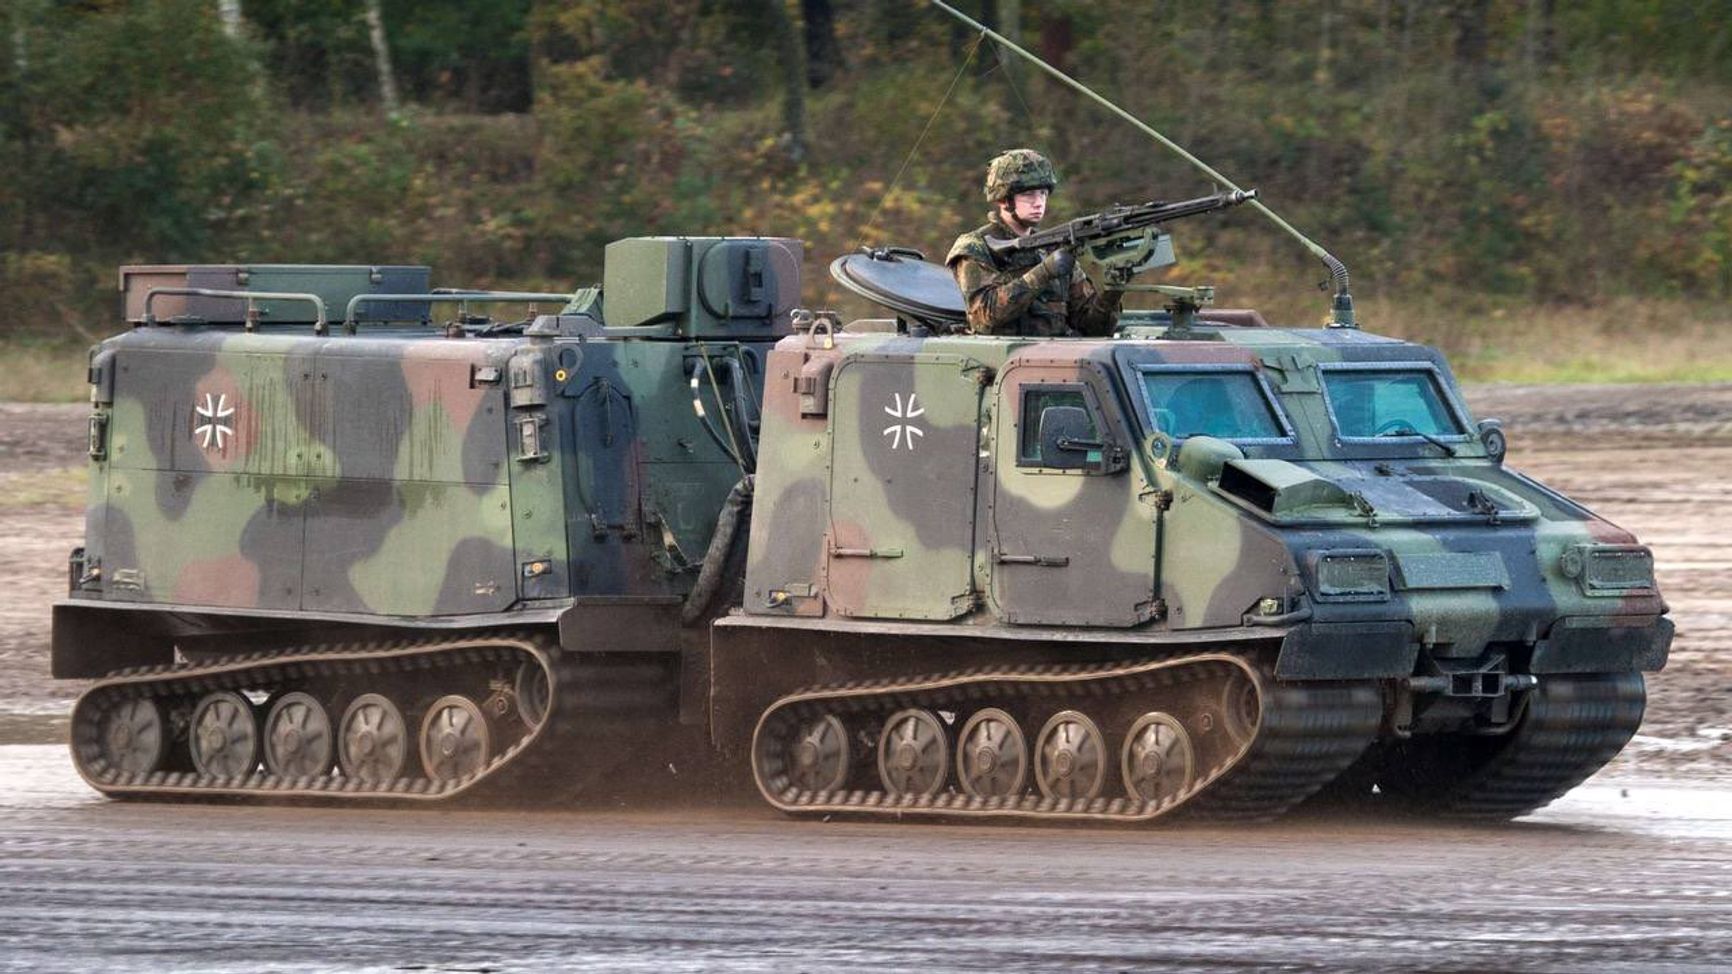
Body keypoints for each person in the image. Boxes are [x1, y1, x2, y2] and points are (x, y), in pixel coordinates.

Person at [945, 149, 1122, 337]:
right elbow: (985, 315)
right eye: (1029, 194)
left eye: (1043, 193)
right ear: (1004, 199)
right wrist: (1044, 272)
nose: (1038, 202)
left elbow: (1093, 327)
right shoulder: (976, 247)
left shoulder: (1053, 248)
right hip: (1001, 355)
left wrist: (1114, 288)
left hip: (1056, 354)